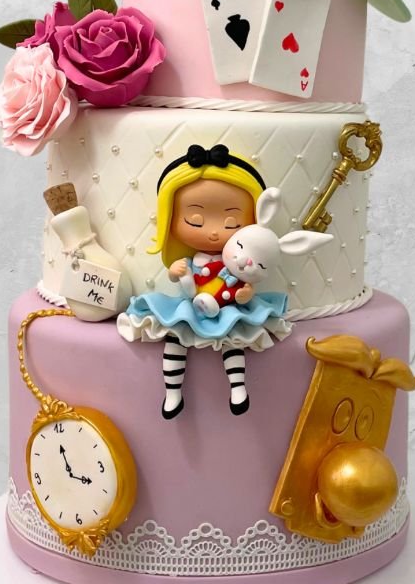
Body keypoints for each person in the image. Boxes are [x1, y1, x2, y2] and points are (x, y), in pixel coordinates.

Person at [116, 144, 289, 419]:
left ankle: (238, 388)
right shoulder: (191, 260)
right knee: (175, 338)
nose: (213, 232)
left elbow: (244, 287)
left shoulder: (236, 262)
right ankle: (173, 393)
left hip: (226, 308)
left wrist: (245, 293)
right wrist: (175, 272)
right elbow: (183, 281)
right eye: (195, 221)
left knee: (234, 339)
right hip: (191, 304)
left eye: (231, 223)